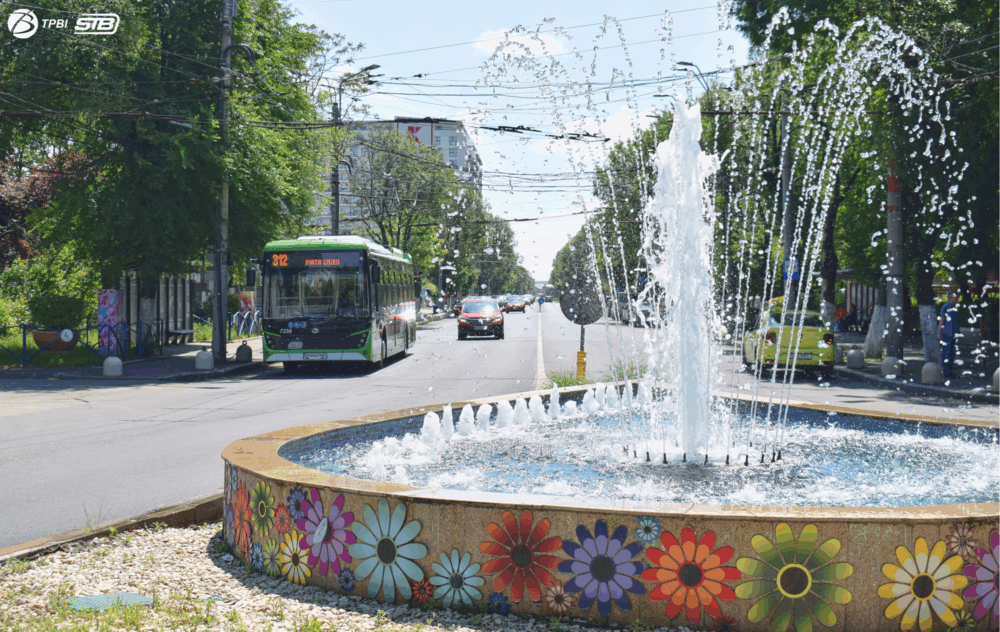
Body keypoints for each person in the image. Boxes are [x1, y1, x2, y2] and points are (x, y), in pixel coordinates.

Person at [938, 291, 960, 377]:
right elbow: (942, 320)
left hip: (953, 333)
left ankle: (950, 371)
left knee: (952, 353)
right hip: (947, 333)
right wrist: (939, 333)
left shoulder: (955, 307)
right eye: (955, 298)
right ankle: (946, 371)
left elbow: (956, 321)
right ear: (950, 298)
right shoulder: (946, 307)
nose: (957, 300)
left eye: (957, 298)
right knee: (946, 353)